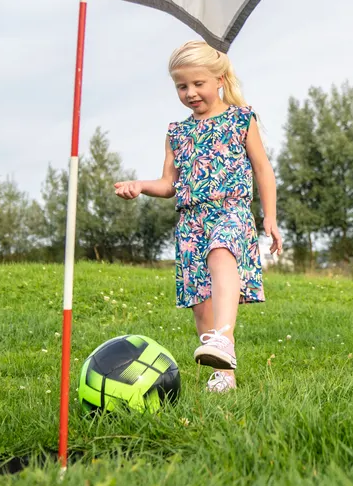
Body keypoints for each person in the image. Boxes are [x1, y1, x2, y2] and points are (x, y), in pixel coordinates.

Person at [114, 40, 281, 392]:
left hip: (230, 210)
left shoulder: (240, 119)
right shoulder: (177, 132)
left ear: (219, 79)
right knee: (201, 303)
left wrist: (270, 217)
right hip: (191, 222)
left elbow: (263, 170)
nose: (190, 93)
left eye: (197, 84)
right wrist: (140, 185)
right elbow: (168, 183)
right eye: (182, 86)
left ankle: (224, 339)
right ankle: (223, 375)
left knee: (222, 253)